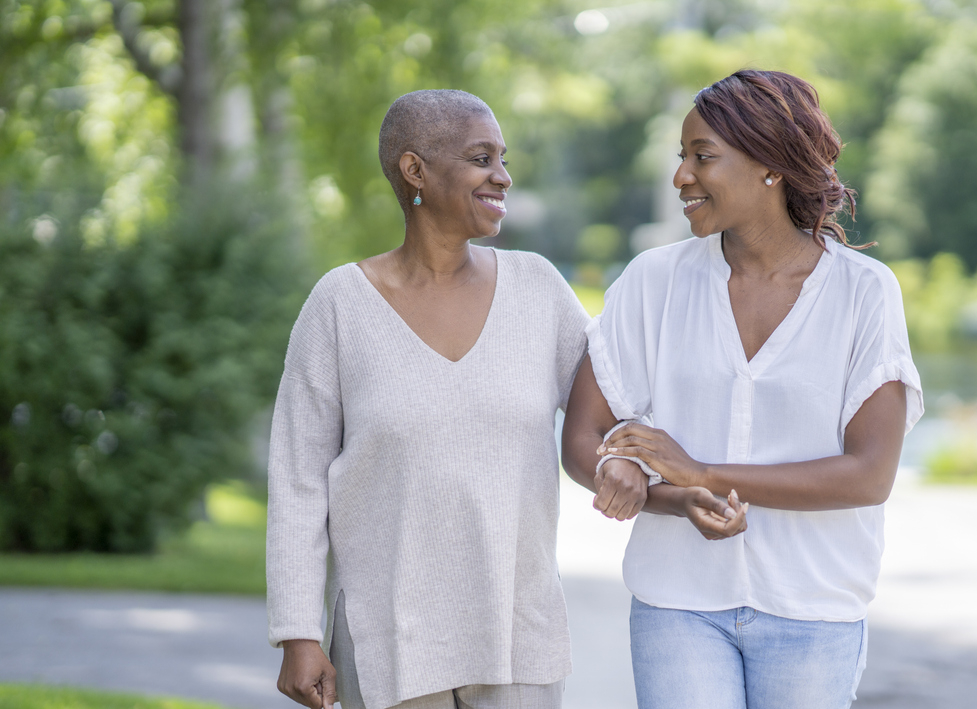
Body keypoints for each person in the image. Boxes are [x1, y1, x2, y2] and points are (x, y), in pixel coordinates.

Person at [562, 70, 924, 709]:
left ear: (771, 166)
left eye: (702, 157)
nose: (681, 177)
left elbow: (869, 475)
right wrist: (654, 487)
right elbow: (583, 439)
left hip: (813, 607)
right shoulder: (653, 281)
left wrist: (702, 471)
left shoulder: (864, 292)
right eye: (682, 158)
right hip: (678, 602)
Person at [267, 90, 589, 709]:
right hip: (388, 636)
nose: (503, 175)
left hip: (517, 634)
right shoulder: (340, 305)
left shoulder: (538, 290)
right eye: (480, 157)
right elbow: (298, 480)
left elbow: (615, 407)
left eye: (502, 157)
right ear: (415, 170)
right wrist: (299, 633)